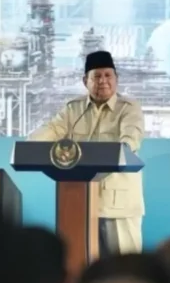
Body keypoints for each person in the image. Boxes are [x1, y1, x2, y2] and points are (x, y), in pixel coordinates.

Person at [28, 50, 145, 255]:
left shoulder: (128, 108)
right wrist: (30, 146)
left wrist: (123, 147)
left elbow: (131, 138)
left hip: (118, 202)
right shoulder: (74, 109)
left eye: (108, 75)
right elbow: (52, 130)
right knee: (81, 263)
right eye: (96, 76)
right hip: (80, 201)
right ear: (85, 81)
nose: (103, 81)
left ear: (116, 79)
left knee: (123, 265)